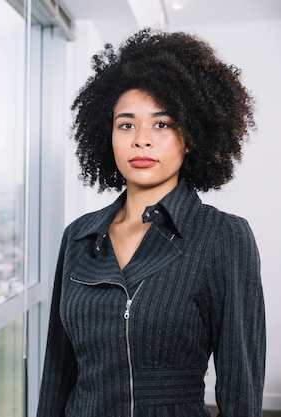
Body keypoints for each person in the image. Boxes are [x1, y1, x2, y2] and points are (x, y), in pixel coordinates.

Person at [37, 27, 266, 417]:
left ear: (190, 137)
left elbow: (240, 383)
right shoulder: (78, 236)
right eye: (126, 124)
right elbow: (58, 373)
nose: (141, 140)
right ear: (106, 135)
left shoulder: (224, 236)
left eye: (162, 124)